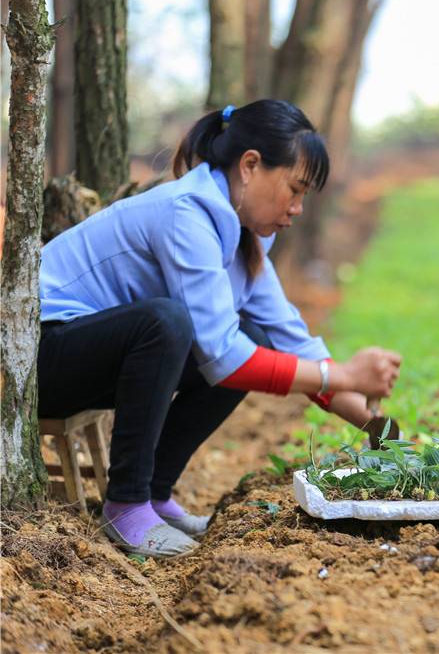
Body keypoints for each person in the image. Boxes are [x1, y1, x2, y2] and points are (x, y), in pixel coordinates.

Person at [39, 100, 401, 558]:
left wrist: (381, 431)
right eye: (294, 188)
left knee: (258, 341)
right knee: (168, 323)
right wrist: (346, 375)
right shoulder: (185, 214)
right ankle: (127, 503)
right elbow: (224, 357)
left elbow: (293, 342)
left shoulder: (242, 234)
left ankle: (152, 493)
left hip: (88, 356)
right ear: (250, 165)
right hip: (36, 358)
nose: (298, 208)